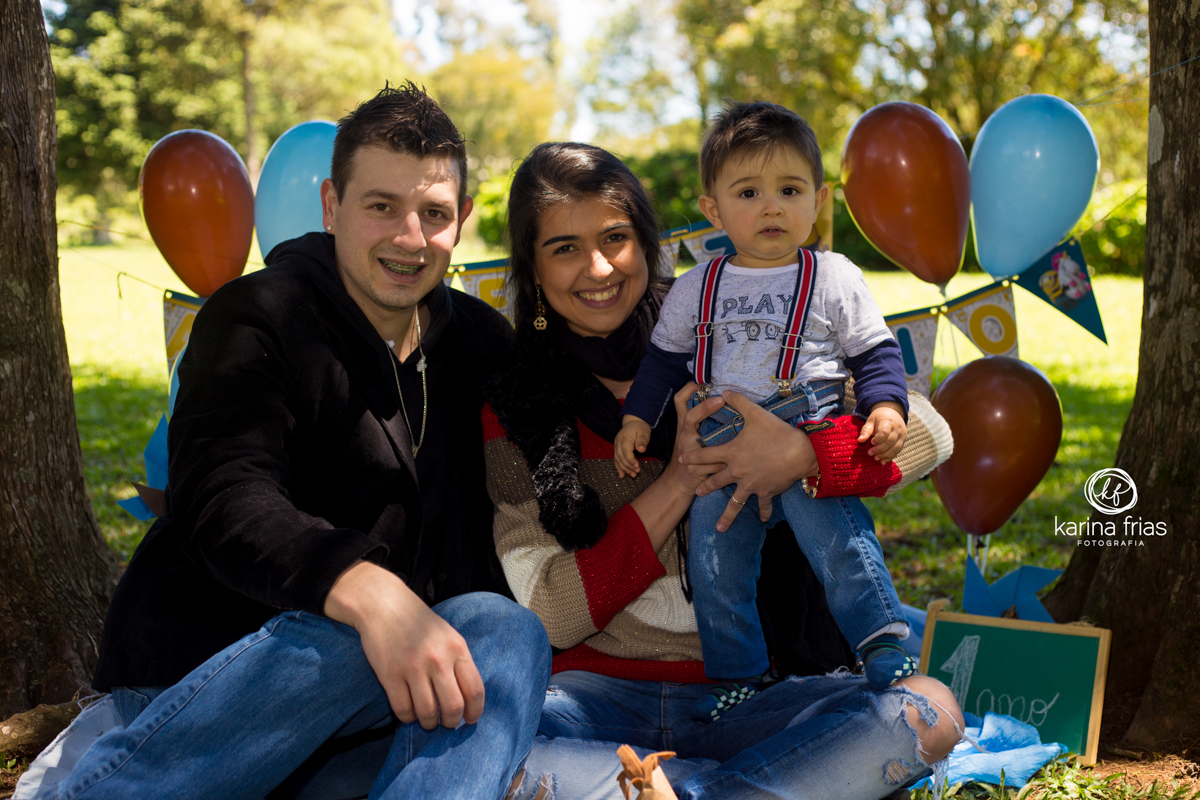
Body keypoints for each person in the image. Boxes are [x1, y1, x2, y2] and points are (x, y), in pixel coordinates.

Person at [38, 83, 549, 800]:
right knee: (352, 627)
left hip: (368, 723)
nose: (409, 237)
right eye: (380, 207)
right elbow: (220, 493)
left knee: (506, 633)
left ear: (461, 221)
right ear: (331, 206)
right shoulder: (256, 314)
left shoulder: (480, 343)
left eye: (433, 214)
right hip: (211, 695)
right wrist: (366, 591)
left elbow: (545, 477)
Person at [483, 141, 961, 800]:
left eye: (616, 238)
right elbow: (553, 614)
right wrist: (681, 479)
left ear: (647, 245)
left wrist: (802, 455)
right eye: (564, 247)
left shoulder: (725, 343)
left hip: (749, 697)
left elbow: (932, 430)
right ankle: (747, 790)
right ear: (533, 270)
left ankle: (679, 790)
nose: (597, 267)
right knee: (492, 753)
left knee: (929, 712)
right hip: (589, 704)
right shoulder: (516, 405)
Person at [613, 101, 916, 717]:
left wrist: (886, 408)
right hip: (721, 447)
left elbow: (875, 354)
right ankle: (736, 673)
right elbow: (665, 362)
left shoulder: (834, 276)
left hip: (809, 427)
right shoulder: (699, 284)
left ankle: (881, 637)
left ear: (819, 199)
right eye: (748, 192)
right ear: (713, 209)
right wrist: (637, 418)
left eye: (789, 189)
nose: (771, 206)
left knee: (839, 543)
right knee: (716, 561)